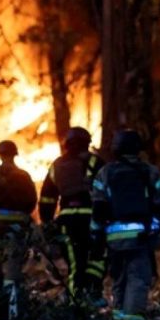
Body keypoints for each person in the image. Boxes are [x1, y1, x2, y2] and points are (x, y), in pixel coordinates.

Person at [90, 130, 160, 320]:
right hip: (141, 236)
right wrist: (157, 229)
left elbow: (98, 209)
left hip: (114, 237)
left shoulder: (104, 173)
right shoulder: (150, 172)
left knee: (119, 279)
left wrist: (97, 237)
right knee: (138, 278)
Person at [39, 127, 105, 301]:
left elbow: (47, 198)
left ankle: (78, 301)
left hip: (68, 221)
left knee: (76, 263)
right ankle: (88, 295)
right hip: (92, 219)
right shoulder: (96, 162)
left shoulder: (57, 165)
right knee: (98, 256)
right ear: (87, 143)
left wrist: (47, 222)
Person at [0, 140, 37, 320]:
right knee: (13, 266)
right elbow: (32, 201)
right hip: (17, 228)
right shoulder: (24, 175)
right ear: (15, 155)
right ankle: (11, 310)